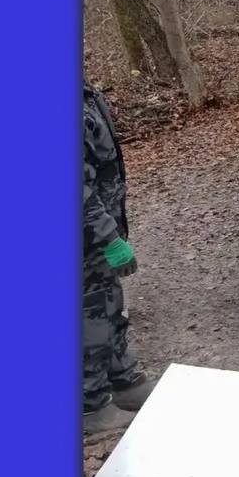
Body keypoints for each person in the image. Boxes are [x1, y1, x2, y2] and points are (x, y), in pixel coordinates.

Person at [83, 82, 155, 433]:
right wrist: (107, 235)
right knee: (88, 311)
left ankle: (121, 380)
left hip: (97, 227)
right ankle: (90, 405)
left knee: (109, 301)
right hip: (82, 232)